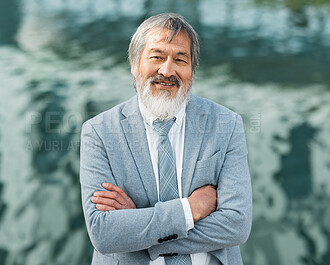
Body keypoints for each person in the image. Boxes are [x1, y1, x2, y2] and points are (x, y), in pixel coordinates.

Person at [80, 13, 252, 265]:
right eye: (157, 57)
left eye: (180, 59)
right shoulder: (99, 132)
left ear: (192, 70)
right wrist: (189, 210)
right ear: (134, 62)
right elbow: (103, 233)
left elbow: (236, 225)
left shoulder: (226, 124)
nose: (167, 70)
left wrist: (138, 226)